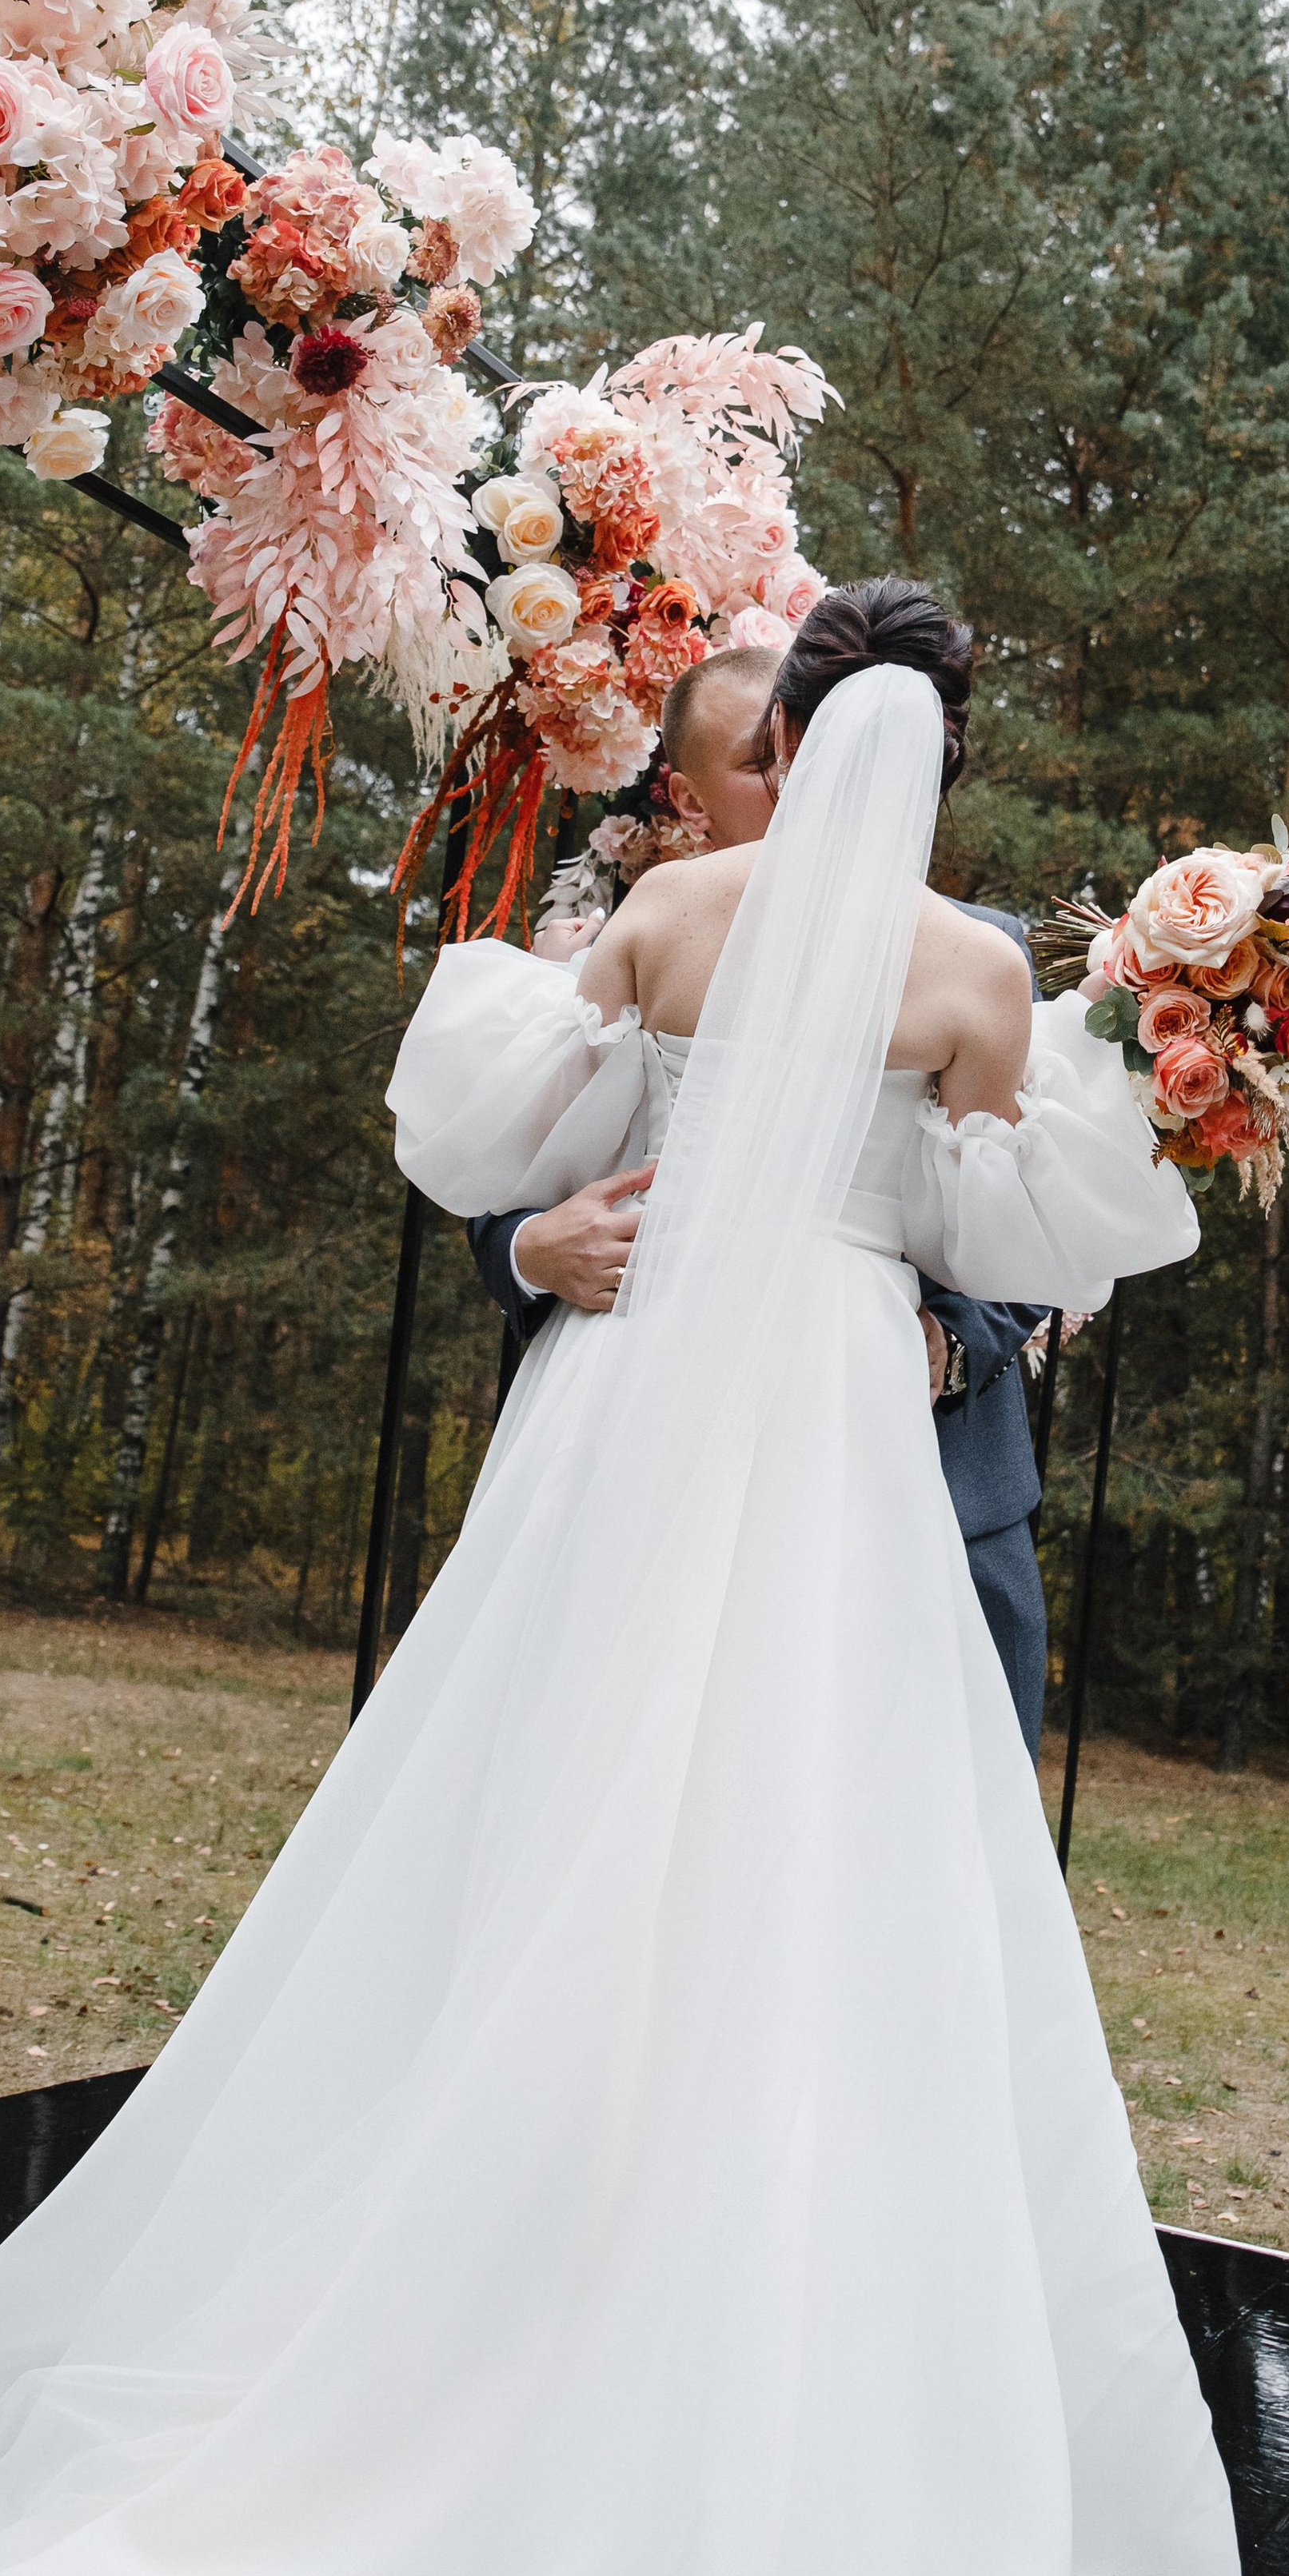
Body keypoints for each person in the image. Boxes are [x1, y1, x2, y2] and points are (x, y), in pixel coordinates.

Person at [0, 580, 1247, 2576]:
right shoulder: (977, 972)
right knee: (810, 1854)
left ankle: (497, 2230)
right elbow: (1030, 1237)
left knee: (541, 1803)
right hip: (824, 1398)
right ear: (945, 761)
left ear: (783, 741)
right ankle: (754, 2288)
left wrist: (589, 1215)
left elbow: (485, 1130)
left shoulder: (667, 911)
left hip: (631, 1386)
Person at [469, 640, 1058, 1754]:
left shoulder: (987, 953)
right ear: (693, 793)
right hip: (658, 1388)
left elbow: (1007, 1251)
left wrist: (950, 1341)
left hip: (918, 1456)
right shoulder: (638, 914)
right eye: (746, 761)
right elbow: (523, 1164)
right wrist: (534, 1247)